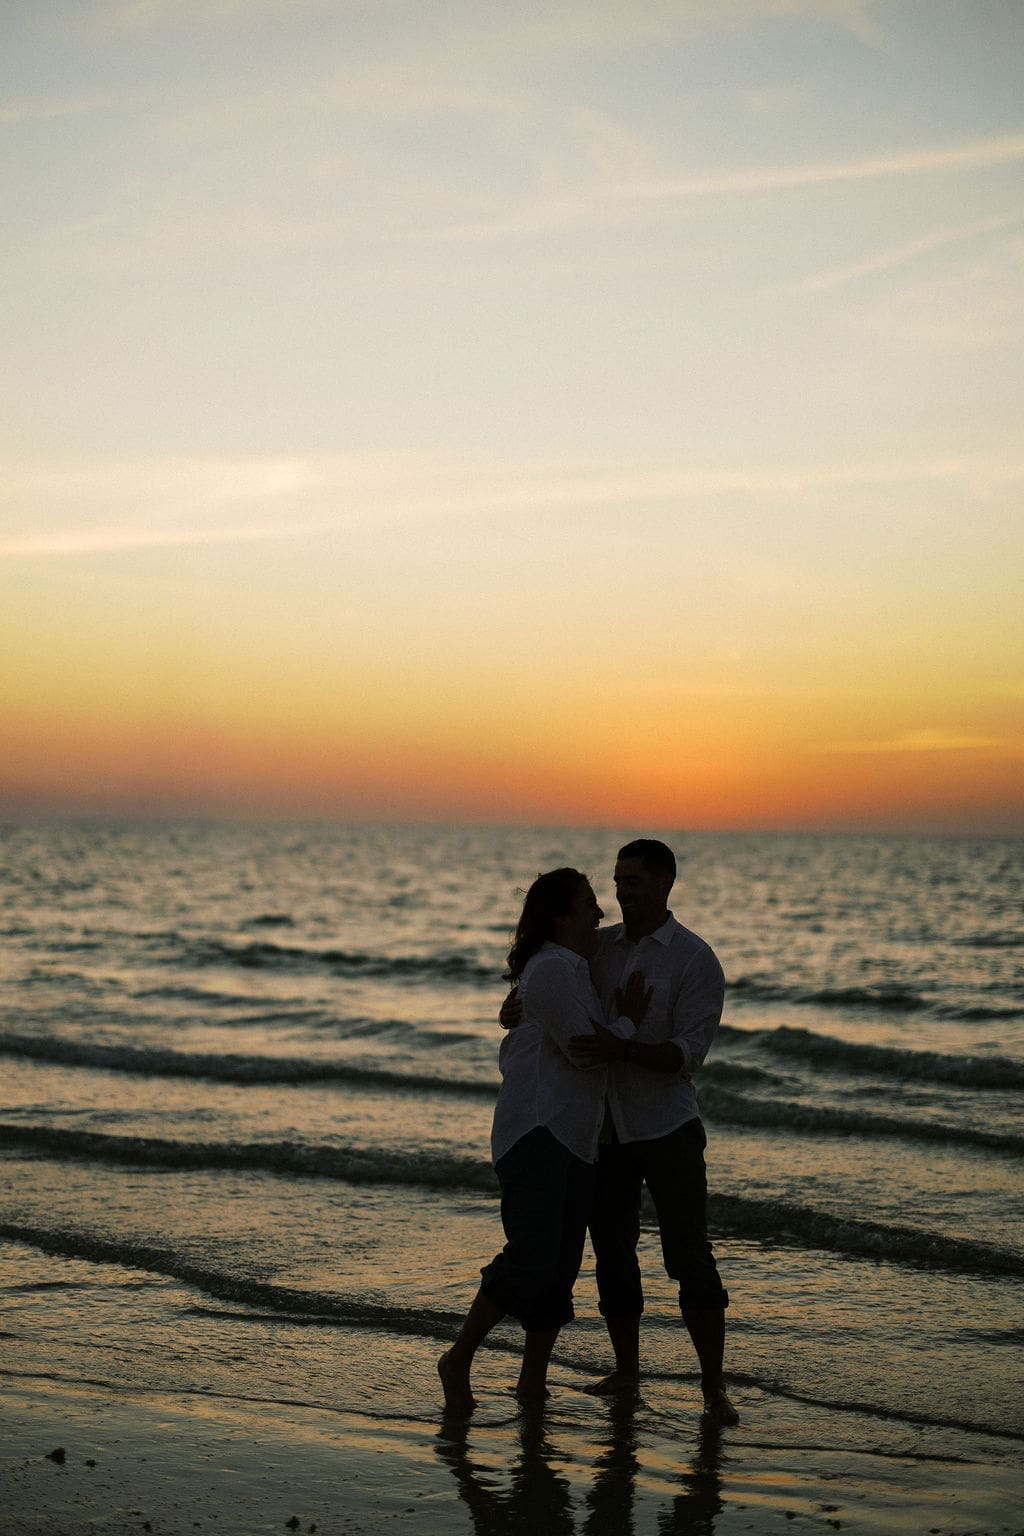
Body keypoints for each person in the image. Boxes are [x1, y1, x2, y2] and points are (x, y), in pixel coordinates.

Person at [501, 838, 738, 1425]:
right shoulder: (596, 949)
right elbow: (547, 987)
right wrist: (517, 1004)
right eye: (616, 881)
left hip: (668, 1127)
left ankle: (714, 1390)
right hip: (602, 1131)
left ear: (665, 884)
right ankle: (627, 1372)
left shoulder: (694, 959)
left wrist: (623, 1046)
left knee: (689, 1257)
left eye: (632, 881)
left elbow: (690, 1053)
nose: (621, 893)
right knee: (613, 1256)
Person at [438, 868, 649, 1412]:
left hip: (575, 1135)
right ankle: (458, 1357)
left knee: (559, 1266)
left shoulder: (574, 964)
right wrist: (627, 1023)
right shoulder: (553, 969)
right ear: (561, 917)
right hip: (536, 1129)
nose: (600, 914)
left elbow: (615, 938)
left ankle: (533, 1380)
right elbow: (583, 1047)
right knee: (532, 1258)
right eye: (589, 904)